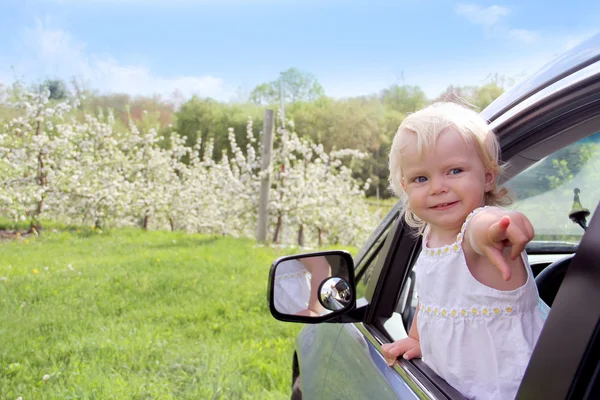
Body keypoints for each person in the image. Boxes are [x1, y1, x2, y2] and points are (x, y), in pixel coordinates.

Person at [381, 102, 548, 400]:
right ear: (406, 187)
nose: (437, 187)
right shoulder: (431, 237)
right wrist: (419, 338)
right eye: (422, 178)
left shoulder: (476, 235)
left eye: (454, 171)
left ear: (487, 176)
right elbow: (431, 298)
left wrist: (500, 226)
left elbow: (484, 225)